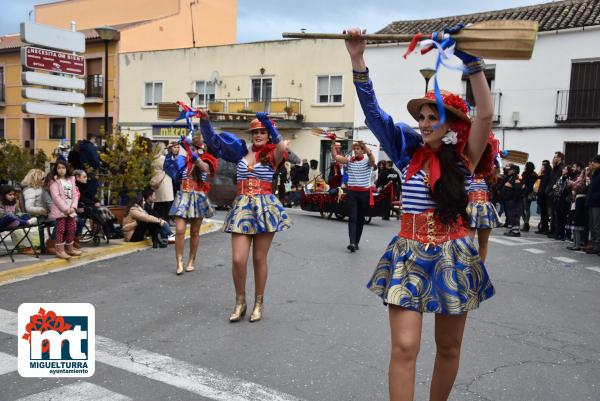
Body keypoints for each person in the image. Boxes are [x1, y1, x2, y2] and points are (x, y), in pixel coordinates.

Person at [345, 27, 494, 401]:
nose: (425, 123)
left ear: (450, 125)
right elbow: (374, 115)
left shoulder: (464, 160)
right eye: (422, 117)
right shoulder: (406, 153)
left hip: (452, 255)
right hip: (409, 253)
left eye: (433, 117)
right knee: (404, 347)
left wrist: (473, 65)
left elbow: (486, 116)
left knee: (448, 348)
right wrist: (357, 59)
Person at [200, 111, 291, 323]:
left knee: (259, 258)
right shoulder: (241, 151)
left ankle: (259, 302)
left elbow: (281, 146)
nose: (258, 135)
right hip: (242, 206)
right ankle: (240, 301)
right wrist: (205, 121)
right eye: (255, 132)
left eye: (262, 132)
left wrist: (268, 123)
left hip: (264, 208)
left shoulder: (273, 154)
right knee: (238, 259)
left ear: (268, 134)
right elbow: (215, 143)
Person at [164, 130, 217, 275]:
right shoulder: (184, 162)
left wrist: (188, 149)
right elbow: (172, 174)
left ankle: (191, 260)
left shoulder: (206, 161)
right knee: (180, 230)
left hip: (198, 198)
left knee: (194, 232)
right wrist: (170, 155)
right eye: (190, 148)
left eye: (194, 148)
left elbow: (203, 167)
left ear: (201, 149)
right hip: (183, 197)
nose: (191, 151)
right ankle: (179, 262)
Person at [332, 140, 375, 252]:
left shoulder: (367, 161)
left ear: (362, 151)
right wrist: (332, 143)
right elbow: (336, 157)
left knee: (360, 219)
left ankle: (356, 242)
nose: (355, 151)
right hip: (352, 193)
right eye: (354, 149)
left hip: (364, 193)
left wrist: (365, 147)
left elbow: (372, 160)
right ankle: (351, 242)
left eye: (358, 149)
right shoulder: (350, 160)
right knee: (352, 218)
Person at [466, 136, 501, 261]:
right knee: (467, 244)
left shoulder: (489, 175)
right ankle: (467, 267)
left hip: (485, 209)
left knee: (483, 243)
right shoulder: (467, 172)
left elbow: (498, 170)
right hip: (469, 209)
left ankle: (481, 270)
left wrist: (498, 157)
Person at [48, 160, 81, 260]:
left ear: (67, 169)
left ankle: (69, 248)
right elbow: (56, 197)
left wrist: (73, 207)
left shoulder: (71, 179)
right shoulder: (54, 181)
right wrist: (66, 209)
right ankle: (60, 250)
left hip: (71, 210)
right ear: (56, 170)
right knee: (60, 230)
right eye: (58, 168)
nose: (61, 170)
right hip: (61, 210)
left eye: (63, 168)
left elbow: (75, 195)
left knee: (72, 229)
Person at [74, 169, 115, 239]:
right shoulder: (75, 187)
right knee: (99, 211)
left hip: (87, 205)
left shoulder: (84, 186)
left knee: (104, 209)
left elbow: (90, 196)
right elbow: (82, 198)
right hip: (80, 207)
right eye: (84, 177)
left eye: (86, 176)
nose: (86, 178)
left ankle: (111, 231)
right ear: (77, 177)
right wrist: (93, 203)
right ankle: (108, 231)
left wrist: (97, 201)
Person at [150, 142, 174, 222]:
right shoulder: (163, 159)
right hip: (165, 183)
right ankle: (165, 223)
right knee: (166, 205)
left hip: (157, 183)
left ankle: (157, 221)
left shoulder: (152, 159)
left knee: (158, 205)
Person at [500, 164, 524, 237]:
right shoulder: (511, 178)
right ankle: (512, 230)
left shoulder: (516, 178)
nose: (508, 171)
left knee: (515, 216)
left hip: (514, 202)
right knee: (511, 216)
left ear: (513, 171)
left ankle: (516, 232)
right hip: (510, 201)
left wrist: (514, 200)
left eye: (509, 169)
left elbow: (518, 190)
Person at [585, 155, 600, 254]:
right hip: (591, 202)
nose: (592, 164)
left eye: (594, 162)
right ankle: (594, 244)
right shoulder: (595, 173)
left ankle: (597, 245)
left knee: (596, 225)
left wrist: (594, 197)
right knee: (592, 225)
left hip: (597, 203)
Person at [535, 161, 552, 234]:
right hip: (542, 197)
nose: (541, 168)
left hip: (544, 198)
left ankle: (545, 228)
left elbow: (543, 188)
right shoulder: (544, 175)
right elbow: (538, 177)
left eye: (543, 167)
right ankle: (543, 227)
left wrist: (540, 195)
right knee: (543, 214)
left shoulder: (547, 176)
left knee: (545, 214)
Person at [521, 161, 538, 232]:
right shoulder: (534, 175)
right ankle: (526, 223)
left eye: (526, 166)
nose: (524, 167)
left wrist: (524, 192)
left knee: (525, 209)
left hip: (526, 193)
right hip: (528, 193)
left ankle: (526, 224)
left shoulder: (526, 174)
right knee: (525, 209)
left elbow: (528, 185)